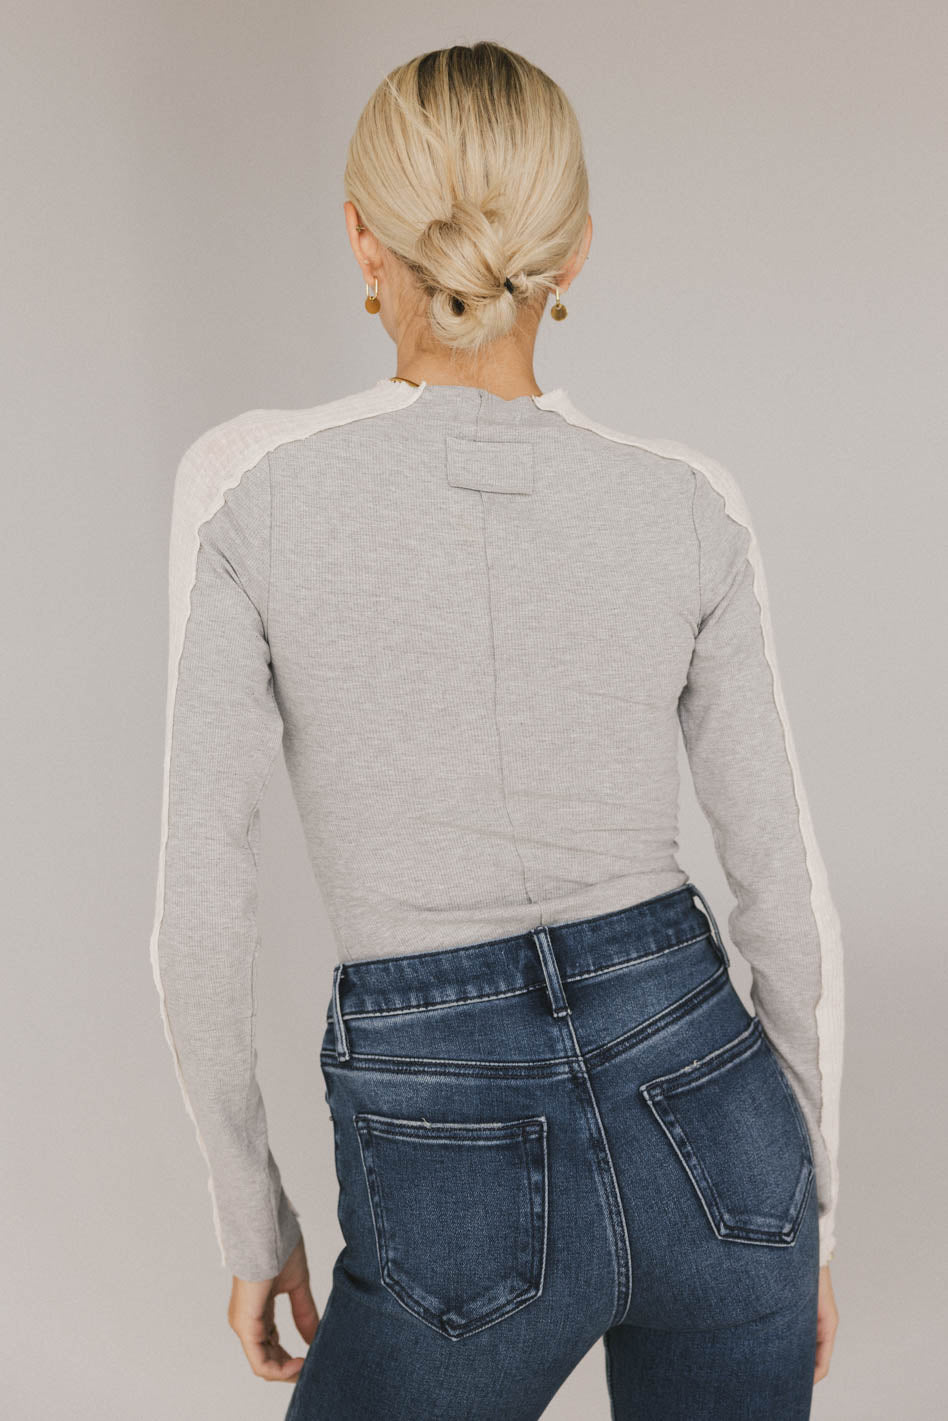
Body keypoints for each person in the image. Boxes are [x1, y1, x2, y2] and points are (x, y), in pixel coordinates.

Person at [149, 40, 843, 1421]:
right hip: (719, 1120)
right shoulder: (689, 502)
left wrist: (251, 1217)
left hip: (444, 1132)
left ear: (364, 237)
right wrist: (810, 1210)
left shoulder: (248, 489)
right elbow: (788, 902)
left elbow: (199, 923)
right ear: (573, 250)